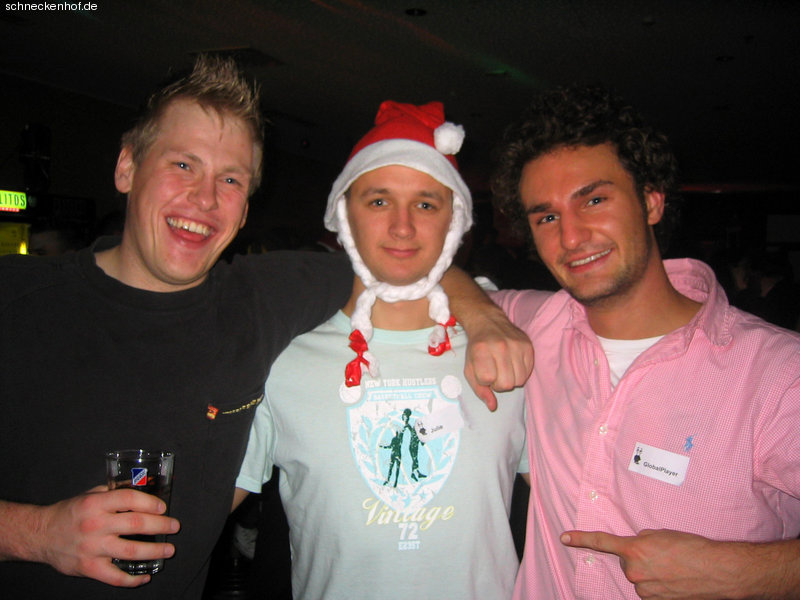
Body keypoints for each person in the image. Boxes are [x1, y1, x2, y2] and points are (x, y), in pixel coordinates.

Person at [0, 57, 530, 599]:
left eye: (230, 179)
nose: (205, 198)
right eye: (183, 165)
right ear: (127, 167)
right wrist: (36, 533)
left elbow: (403, 261)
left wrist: (486, 315)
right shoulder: (14, 300)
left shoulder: (264, 304)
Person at [490, 84, 800, 599]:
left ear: (652, 201)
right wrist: (482, 320)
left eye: (594, 200)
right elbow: (437, 282)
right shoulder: (539, 322)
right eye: (547, 216)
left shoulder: (777, 374)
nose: (571, 237)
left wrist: (743, 572)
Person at [234, 101, 528, 599]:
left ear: (455, 222)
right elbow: (195, 510)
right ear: (343, 214)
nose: (402, 227)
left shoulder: (508, 353)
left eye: (426, 204)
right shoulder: (282, 362)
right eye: (378, 201)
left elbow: (578, 504)